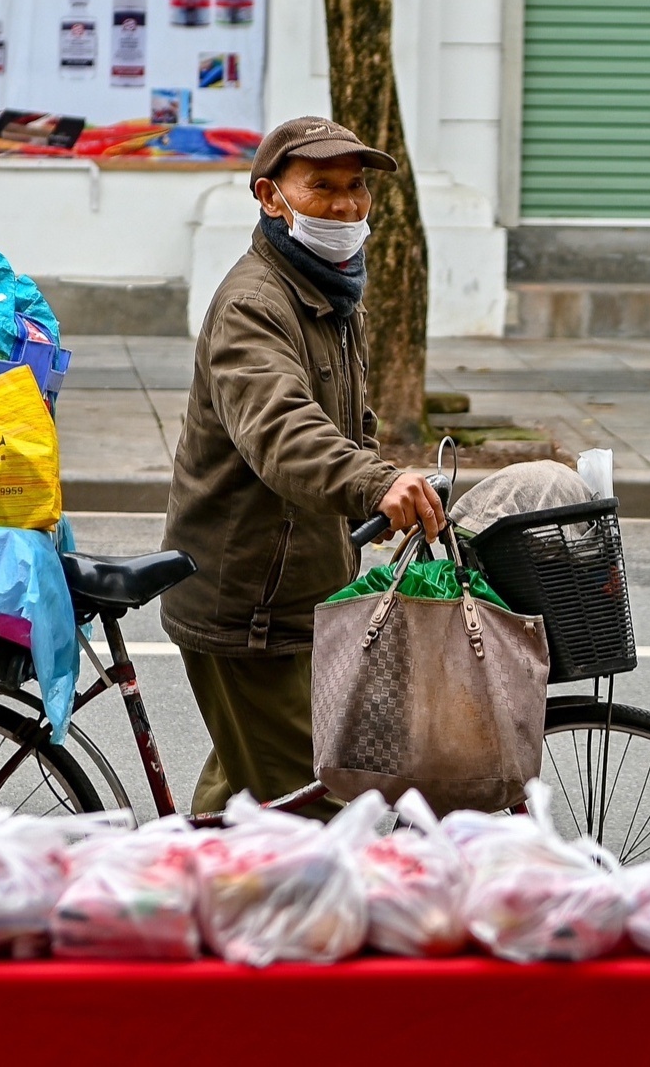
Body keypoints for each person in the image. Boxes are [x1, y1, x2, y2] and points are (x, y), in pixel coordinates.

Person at [159, 116, 444, 820]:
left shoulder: (334, 296)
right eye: (321, 186)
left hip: (296, 591)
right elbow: (284, 433)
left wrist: (379, 486)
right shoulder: (256, 304)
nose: (345, 205)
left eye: (355, 188)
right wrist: (377, 483)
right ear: (269, 196)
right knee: (324, 816)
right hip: (249, 603)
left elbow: (346, 423)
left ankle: (190, 901)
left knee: (244, 798)